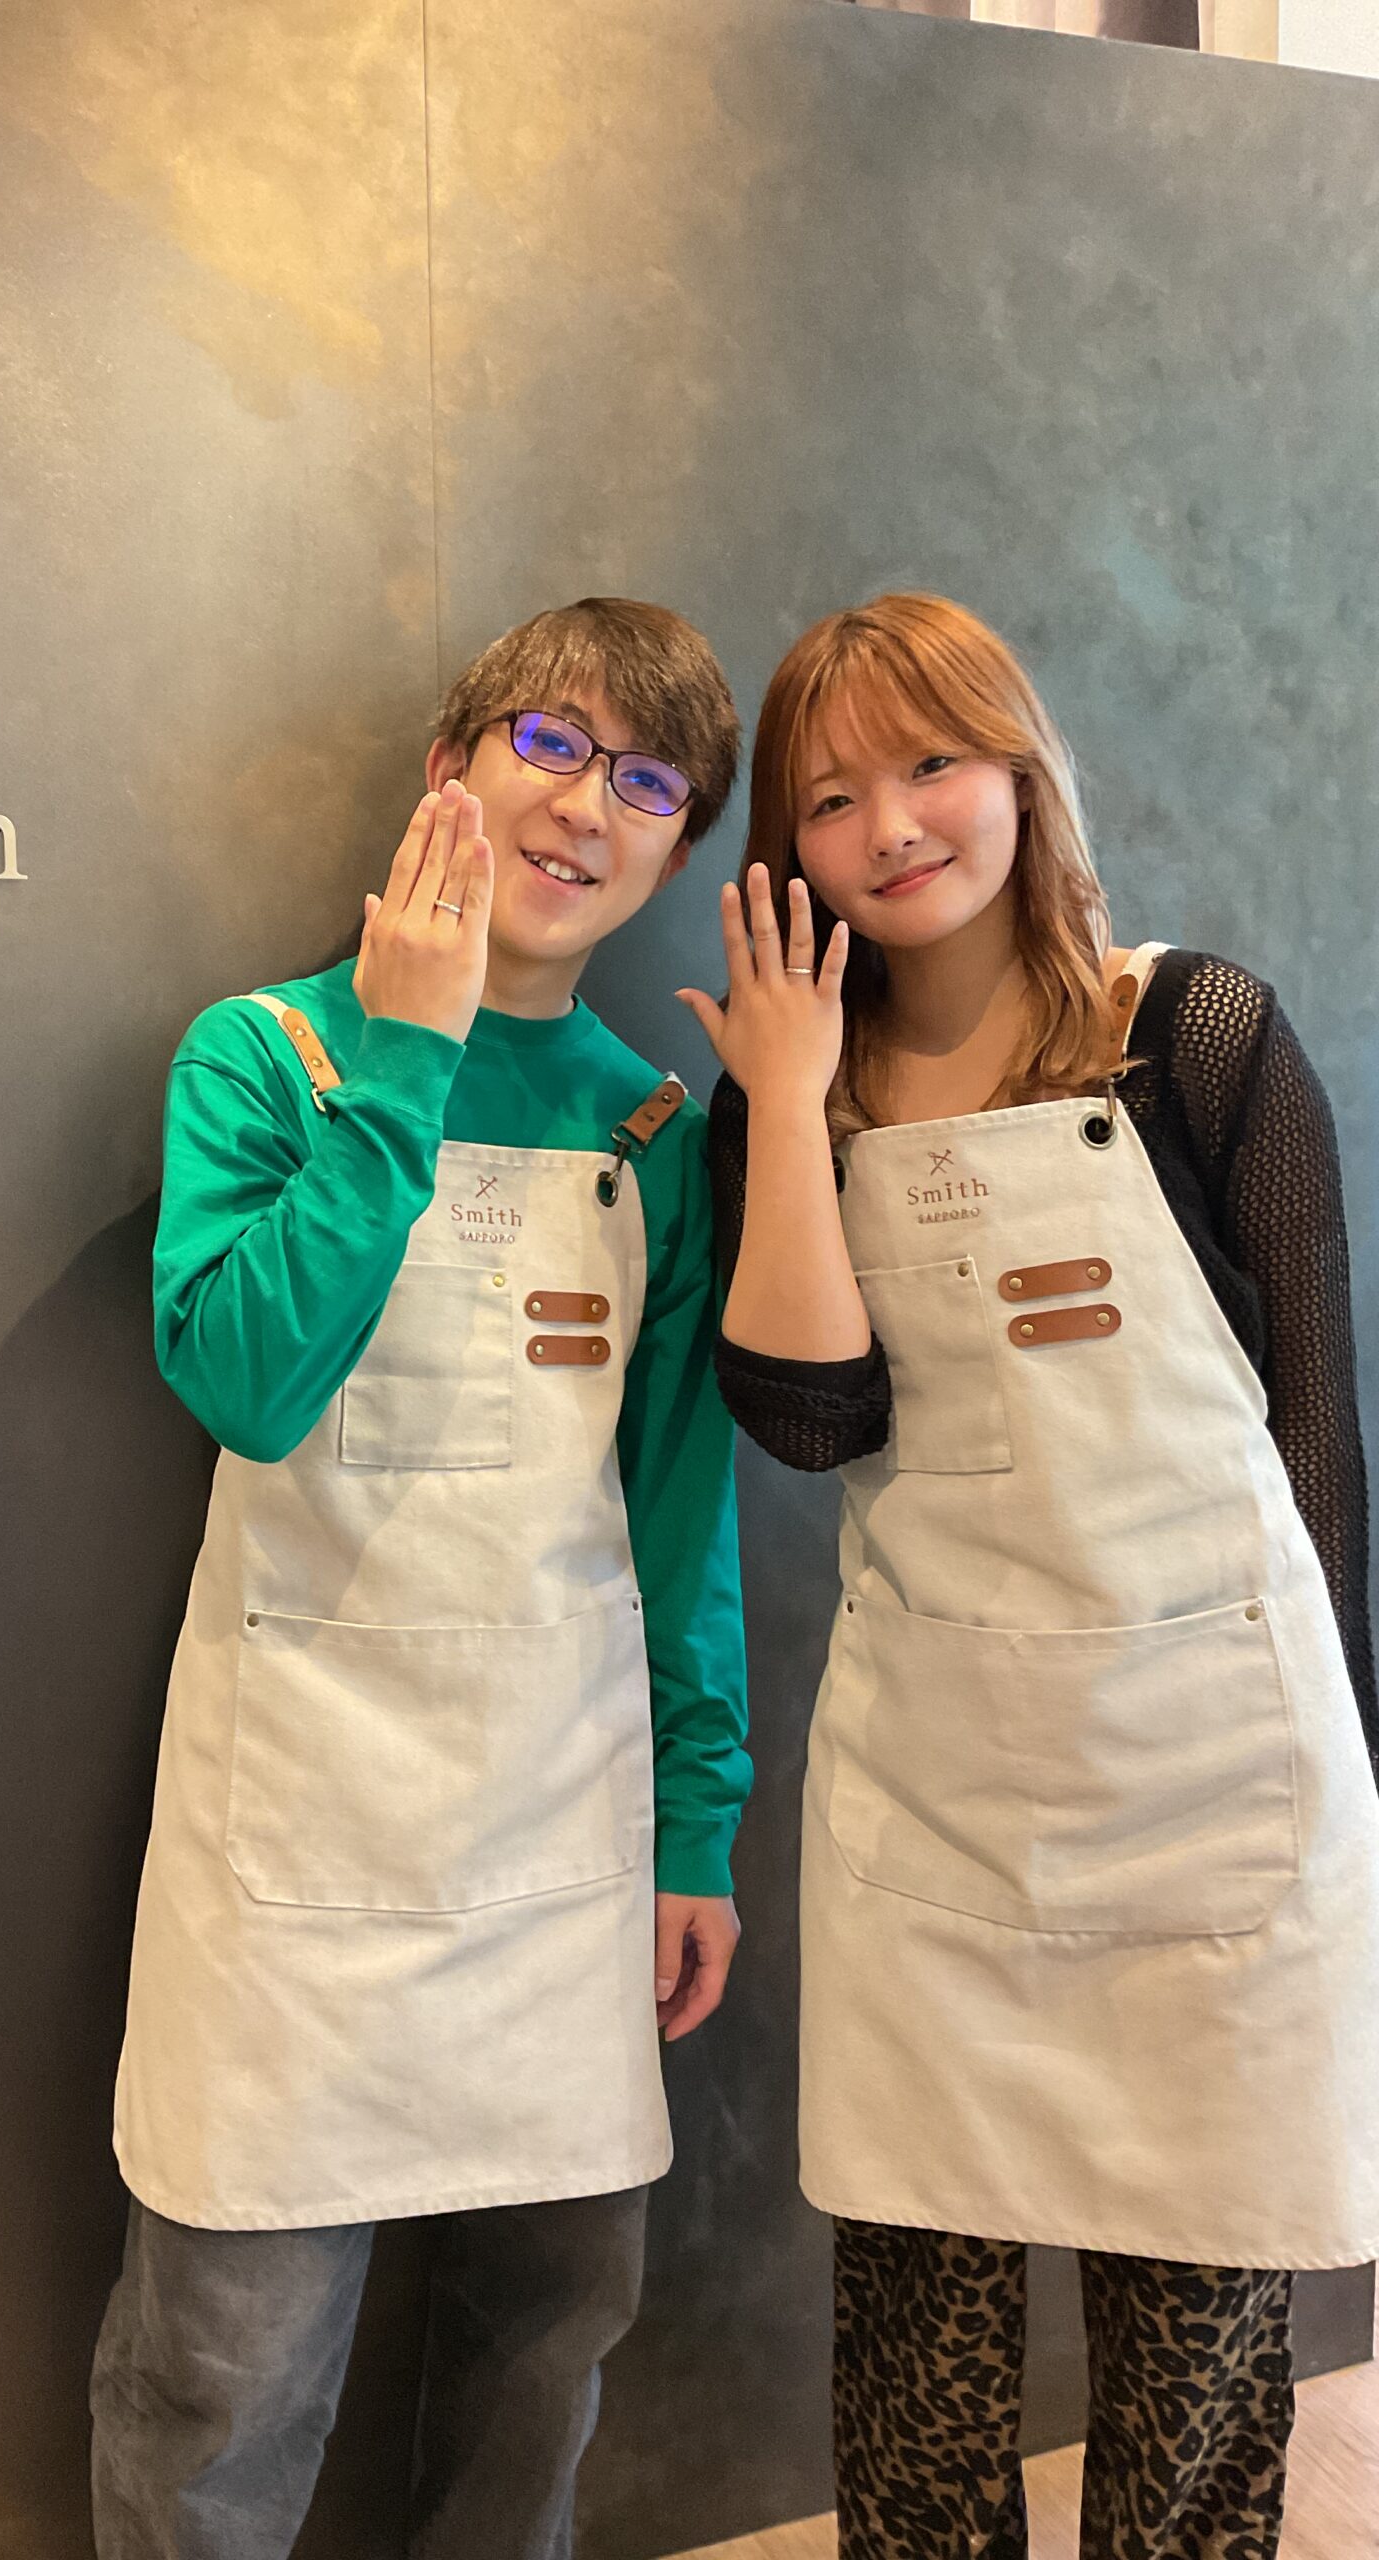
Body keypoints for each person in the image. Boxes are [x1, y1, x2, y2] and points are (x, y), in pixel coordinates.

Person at [680, 591, 1379, 2560]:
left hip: (1212, 1763)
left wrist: (1346, 1758)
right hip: (943, 1784)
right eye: (832, 797)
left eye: (932, 763)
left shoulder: (1200, 1036)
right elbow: (808, 1419)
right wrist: (791, 1099)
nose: (892, 825)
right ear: (787, 848)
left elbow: (1318, 1429)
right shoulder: (782, 1090)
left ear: (1019, 768)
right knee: (918, 2324)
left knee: (1201, 2307)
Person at [92, 598, 752, 2560]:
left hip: (562, 1823)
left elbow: (680, 1510)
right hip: (298, 1844)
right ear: (449, 768)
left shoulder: (656, 1126)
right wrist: (405, 1061)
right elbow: (248, 1380)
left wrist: (699, 1818)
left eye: (649, 783)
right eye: (551, 743)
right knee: (221, 2377)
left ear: (672, 851)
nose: (588, 805)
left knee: (549, 2342)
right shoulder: (268, 1056)